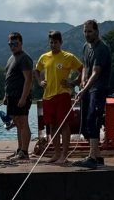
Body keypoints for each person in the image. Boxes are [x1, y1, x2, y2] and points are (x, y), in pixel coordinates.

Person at [33, 30, 83, 165]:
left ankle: (64, 155)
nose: (53, 45)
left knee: (64, 124)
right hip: (48, 96)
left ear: (61, 42)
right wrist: (39, 81)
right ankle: (56, 153)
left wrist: (73, 82)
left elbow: (83, 69)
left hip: (63, 95)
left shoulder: (68, 57)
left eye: (55, 42)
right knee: (52, 125)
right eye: (51, 42)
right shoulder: (44, 57)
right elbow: (36, 71)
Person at [71, 19, 112, 169]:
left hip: (98, 89)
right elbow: (85, 69)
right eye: (85, 31)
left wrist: (84, 88)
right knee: (86, 124)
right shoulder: (85, 47)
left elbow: (95, 72)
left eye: (90, 31)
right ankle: (97, 156)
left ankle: (92, 157)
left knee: (93, 119)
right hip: (88, 89)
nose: (87, 34)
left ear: (97, 31)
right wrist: (81, 83)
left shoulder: (102, 49)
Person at [2, 31, 34, 160]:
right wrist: (6, 95)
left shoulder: (24, 58)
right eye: (10, 44)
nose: (12, 46)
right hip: (11, 96)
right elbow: (9, 78)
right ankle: (20, 149)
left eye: (15, 43)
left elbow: (28, 79)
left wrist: (23, 97)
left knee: (23, 122)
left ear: (21, 43)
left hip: (21, 96)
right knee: (16, 122)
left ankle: (24, 152)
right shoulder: (11, 58)